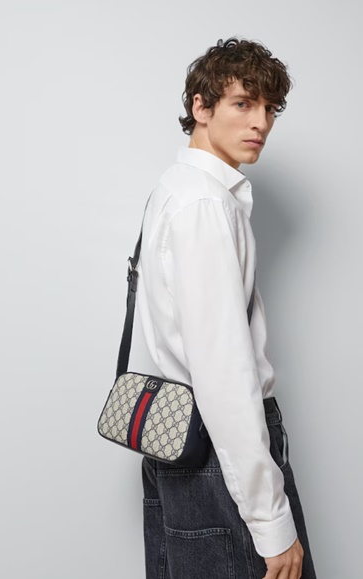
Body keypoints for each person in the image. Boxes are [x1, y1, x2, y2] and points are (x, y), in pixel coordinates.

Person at [135, 37, 317, 579]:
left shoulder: (175, 189)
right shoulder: (205, 205)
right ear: (201, 106)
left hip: (178, 443)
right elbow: (223, 375)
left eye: (270, 108)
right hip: (218, 453)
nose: (260, 122)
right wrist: (271, 521)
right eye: (243, 103)